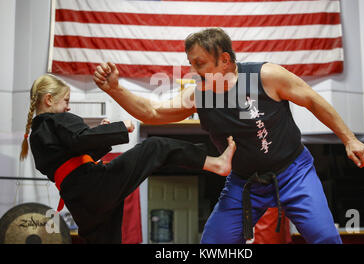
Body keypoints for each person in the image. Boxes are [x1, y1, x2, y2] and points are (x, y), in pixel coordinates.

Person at [94, 27, 364, 244]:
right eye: (191, 64)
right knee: (214, 243)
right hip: (244, 182)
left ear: (224, 60)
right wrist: (115, 89)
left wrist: (349, 138)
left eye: (200, 63)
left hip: (293, 173)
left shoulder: (266, 76)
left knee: (325, 238)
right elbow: (152, 112)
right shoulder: (200, 94)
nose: (194, 71)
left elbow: (312, 100)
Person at [20, 74, 236, 243]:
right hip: (95, 186)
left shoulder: (37, 137)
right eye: (66, 100)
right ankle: (215, 163)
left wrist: (100, 138)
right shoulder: (53, 120)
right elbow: (80, 139)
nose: (68, 106)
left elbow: (74, 157)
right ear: (49, 100)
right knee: (155, 146)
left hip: (81, 205)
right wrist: (118, 128)